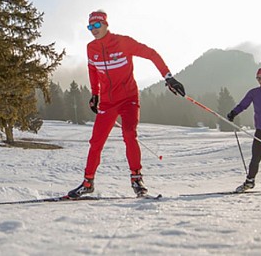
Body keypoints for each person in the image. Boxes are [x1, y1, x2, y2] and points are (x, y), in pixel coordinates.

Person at [67, 10, 186, 199]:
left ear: (106, 24)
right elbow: (92, 70)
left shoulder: (123, 42)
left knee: (130, 134)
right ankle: (88, 182)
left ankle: (137, 179)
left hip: (128, 98)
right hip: (107, 101)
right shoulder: (91, 48)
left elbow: (151, 54)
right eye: (90, 27)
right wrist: (95, 95)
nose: (94, 30)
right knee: (96, 141)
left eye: (97, 25)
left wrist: (169, 77)